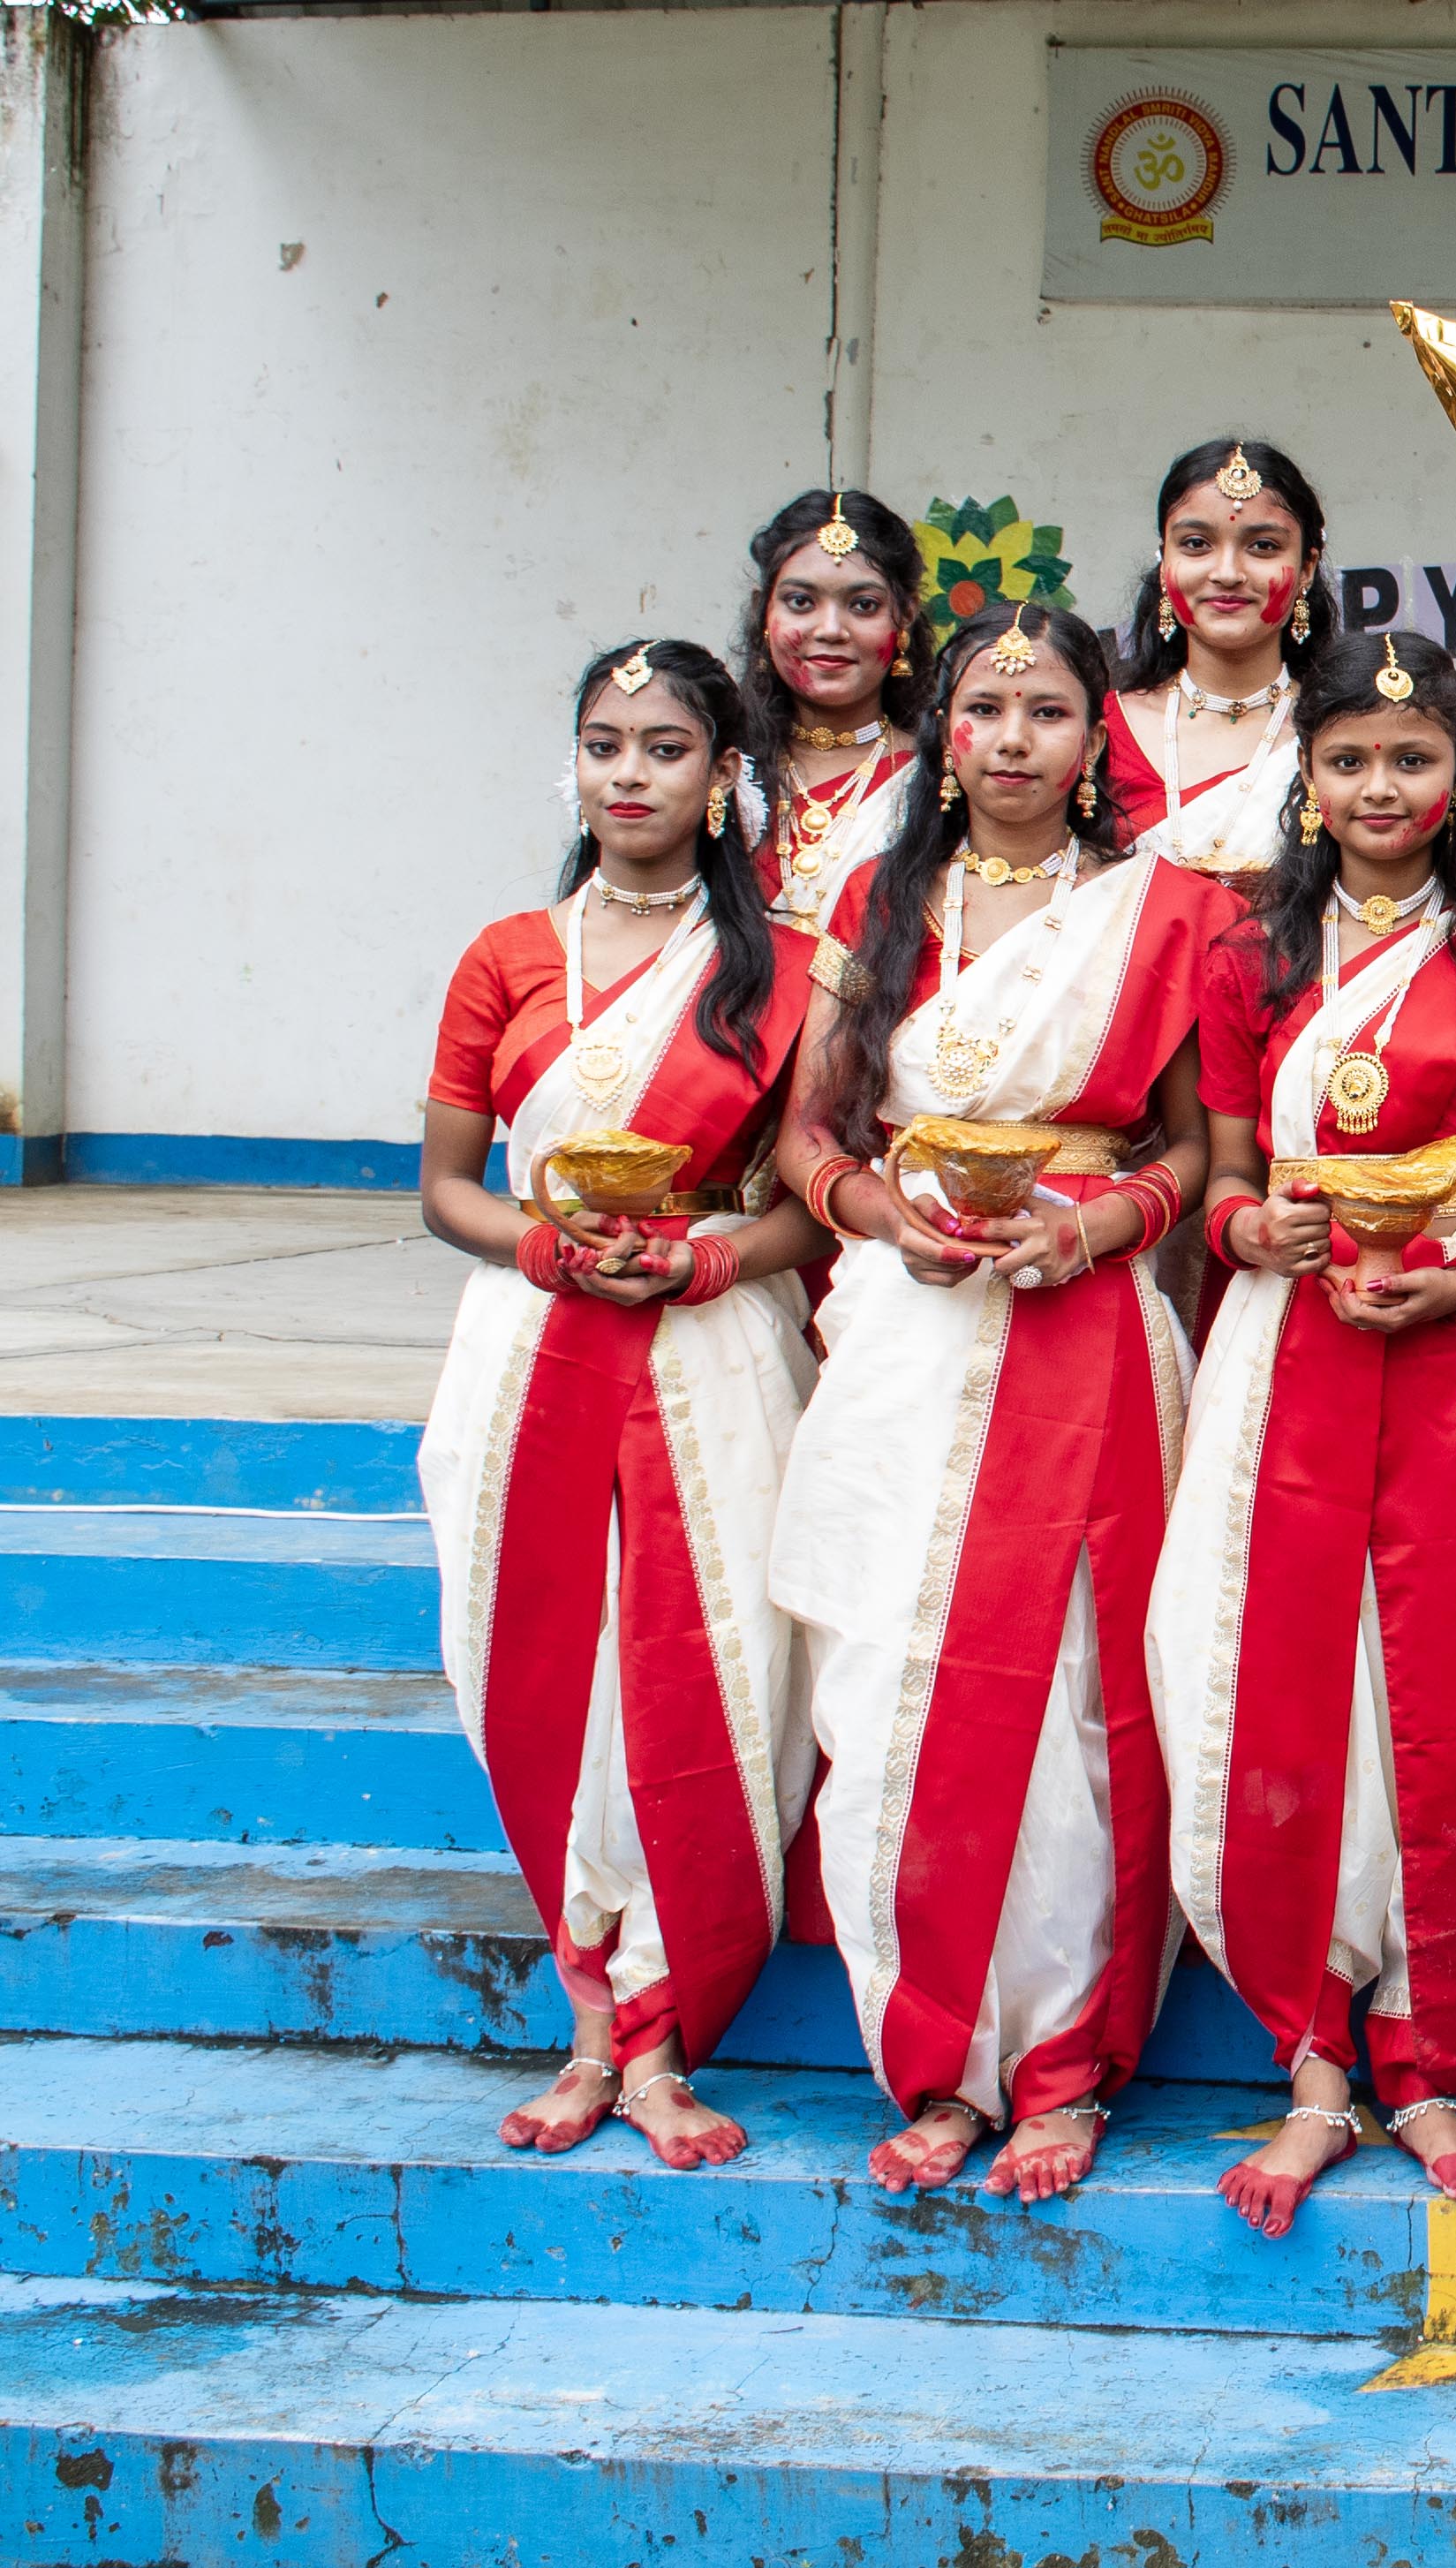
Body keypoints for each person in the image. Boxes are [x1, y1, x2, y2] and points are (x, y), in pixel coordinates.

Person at [768, 604, 1230, 2206]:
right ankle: (934, 2057)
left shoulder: (1155, 912)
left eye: (1047, 709)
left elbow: (1192, 1153)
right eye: (984, 708)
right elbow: (805, 1133)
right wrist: (874, 1211)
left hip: (1082, 1329)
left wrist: (1099, 1227)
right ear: (942, 731)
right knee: (893, 1688)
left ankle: (1061, 2062)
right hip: (906, 1328)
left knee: (1069, 1702)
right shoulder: (876, 897)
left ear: (1101, 734)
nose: (1014, 737)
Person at [1147, 631, 1456, 2233]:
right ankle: (1312, 2064)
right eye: (1348, 758)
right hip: (1287, 1352)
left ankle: (1429, 2060)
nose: (1379, 786)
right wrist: (1246, 1230)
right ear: (1307, 779)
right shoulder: (1247, 953)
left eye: (1410, 758)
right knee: (1282, 1679)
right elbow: (1213, 1170)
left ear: (1453, 777)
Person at [416, 638, 823, 2171]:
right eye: (605, 744)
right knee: (540, 1661)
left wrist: (711, 1258)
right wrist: (541, 1243)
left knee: (704, 1661)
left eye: (665, 747)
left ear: (726, 778)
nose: (630, 773)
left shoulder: (786, 969)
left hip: (713, 1345)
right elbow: (448, 1184)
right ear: (574, 766)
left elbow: (808, 1207)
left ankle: (663, 2032)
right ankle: (591, 2016)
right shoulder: (506, 954)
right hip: (529, 1340)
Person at [1107, 436, 1335, 875]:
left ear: (1307, 567)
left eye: (1263, 547)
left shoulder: (1341, 732)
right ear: (1163, 562)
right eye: (1196, 544)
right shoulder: (1100, 732)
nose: (1227, 572)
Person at [736, 488, 926, 930]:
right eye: (801, 602)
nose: (831, 630)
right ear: (762, 612)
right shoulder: (719, 768)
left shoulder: (943, 777)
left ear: (906, 616)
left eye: (863, 605)